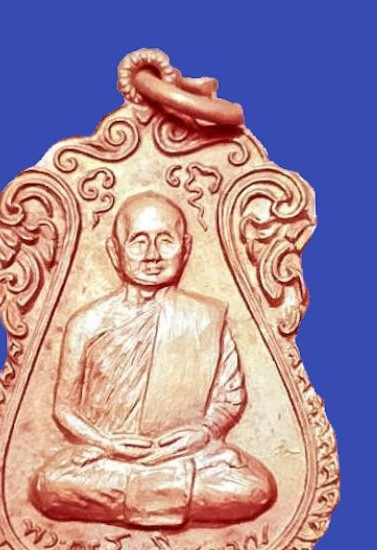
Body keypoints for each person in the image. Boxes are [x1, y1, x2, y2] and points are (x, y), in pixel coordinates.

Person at [30, 191, 276, 527]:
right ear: (114, 251)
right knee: (49, 486)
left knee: (254, 487)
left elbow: (229, 399)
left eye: (165, 241)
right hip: (109, 459)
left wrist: (204, 432)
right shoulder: (87, 323)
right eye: (138, 242)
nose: (152, 255)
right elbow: (64, 409)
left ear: (185, 248)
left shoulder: (205, 318)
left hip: (186, 455)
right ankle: (165, 497)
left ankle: (138, 499)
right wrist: (107, 443)